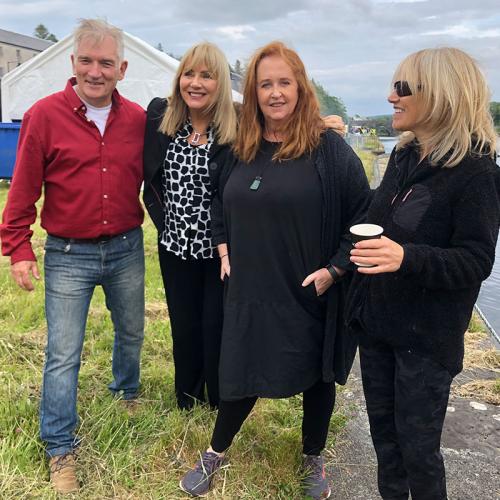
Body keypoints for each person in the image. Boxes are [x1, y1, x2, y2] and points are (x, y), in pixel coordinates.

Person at [179, 41, 371, 499]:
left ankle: (313, 458)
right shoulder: (240, 147)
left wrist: (335, 270)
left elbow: (363, 217)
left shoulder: (331, 152)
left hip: (309, 288)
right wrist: (223, 246)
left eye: (285, 82)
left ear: (300, 87)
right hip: (250, 287)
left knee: (317, 374)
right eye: (266, 84)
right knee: (241, 367)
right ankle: (215, 452)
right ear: (254, 91)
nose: (276, 93)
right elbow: (217, 198)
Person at [143, 42, 347, 411]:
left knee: (218, 329)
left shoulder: (236, 124)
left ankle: (222, 401)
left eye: (207, 75)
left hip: (222, 251)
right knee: (183, 327)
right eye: (189, 73)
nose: (196, 83)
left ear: (221, 83)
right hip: (174, 245)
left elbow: (280, 117)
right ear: (179, 79)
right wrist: (161, 222)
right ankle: (186, 399)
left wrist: (321, 124)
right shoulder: (160, 116)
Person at [347, 47, 500, 500]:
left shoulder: (477, 174)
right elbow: (375, 216)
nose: (391, 96)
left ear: (442, 94)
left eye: (403, 87)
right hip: (377, 328)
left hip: (426, 342)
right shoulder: (403, 156)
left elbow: (476, 261)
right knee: (386, 446)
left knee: (419, 452)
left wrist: (406, 258)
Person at [0, 19, 146, 494]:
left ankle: (126, 391)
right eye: (87, 61)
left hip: (126, 246)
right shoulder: (44, 115)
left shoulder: (139, 120)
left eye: (106, 63)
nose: (96, 71)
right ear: (73, 64)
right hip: (67, 254)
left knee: (131, 330)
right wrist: (18, 247)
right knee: (63, 354)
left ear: (121, 69)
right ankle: (59, 447)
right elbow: (22, 188)